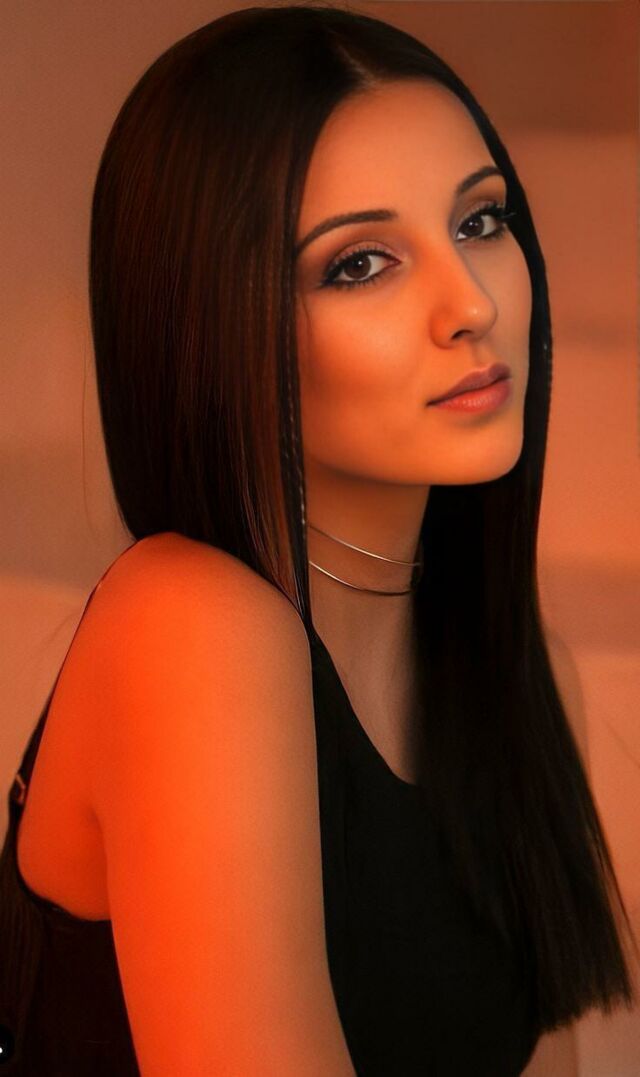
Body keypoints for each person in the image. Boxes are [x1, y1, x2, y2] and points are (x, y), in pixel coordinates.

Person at [0, 4, 637, 1074]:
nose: (471, 304)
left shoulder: (522, 679)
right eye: (360, 265)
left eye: (481, 221)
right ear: (210, 318)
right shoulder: (189, 624)